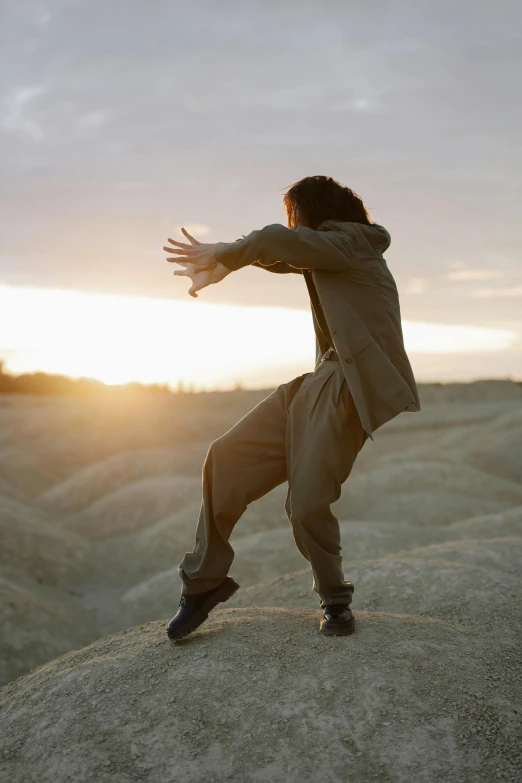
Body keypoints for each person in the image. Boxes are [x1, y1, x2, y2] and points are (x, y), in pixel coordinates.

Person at [162, 174, 421, 641]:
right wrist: (227, 265)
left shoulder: (352, 245)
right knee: (226, 457)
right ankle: (204, 583)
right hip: (318, 378)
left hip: (346, 385)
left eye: (295, 215)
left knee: (305, 504)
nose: (293, 225)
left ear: (311, 214)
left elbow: (277, 241)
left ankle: (335, 600)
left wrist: (223, 251)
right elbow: (283, 254)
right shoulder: (331, 250)